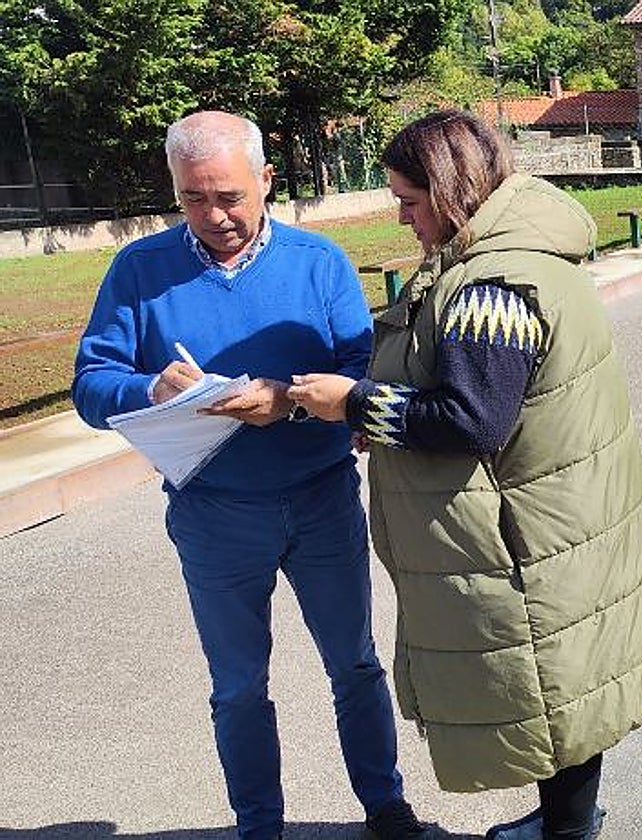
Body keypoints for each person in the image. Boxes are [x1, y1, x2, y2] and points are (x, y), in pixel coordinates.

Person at [287, 109, 642, 840]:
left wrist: (358, 406)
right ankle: (569, 818)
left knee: (552, 687)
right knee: (566, 686)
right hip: (559, 521)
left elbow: (471, 422)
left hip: (527, 541)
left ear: (450, 189)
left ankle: (566, 832)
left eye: (408, 201)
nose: (402, 218)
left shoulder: (490, 289)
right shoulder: (526, 256)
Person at [72, 111, 432, 840]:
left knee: (355, 665)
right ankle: (257, 826)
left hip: (320, 497)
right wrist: (150, 390)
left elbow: (362, 372)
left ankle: (385, 806)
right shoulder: (138, 271)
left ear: (267, 180)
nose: (216, 216)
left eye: (231, 197)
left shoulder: (318, 262)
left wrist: (289, 402)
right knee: (238, 689)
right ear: (174, 190)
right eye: (194, 199)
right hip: (213, 512)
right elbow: (90, 384)